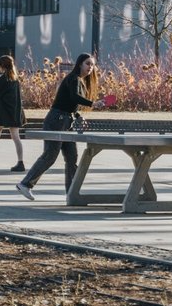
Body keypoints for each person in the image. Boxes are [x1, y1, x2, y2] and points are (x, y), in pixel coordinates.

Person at [16, 53, 105, 200]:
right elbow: (74, 97)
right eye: (87, 63)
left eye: (92, 65)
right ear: (80, 64)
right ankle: (25, 184)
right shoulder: (73, 78)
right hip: (56, 119)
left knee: (72, 157)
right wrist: (92, 104)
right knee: (50, 155)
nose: (90, 67)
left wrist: (77, 116)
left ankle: (71, 193)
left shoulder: (80, 81)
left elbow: (70, 103)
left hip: (66, 120)